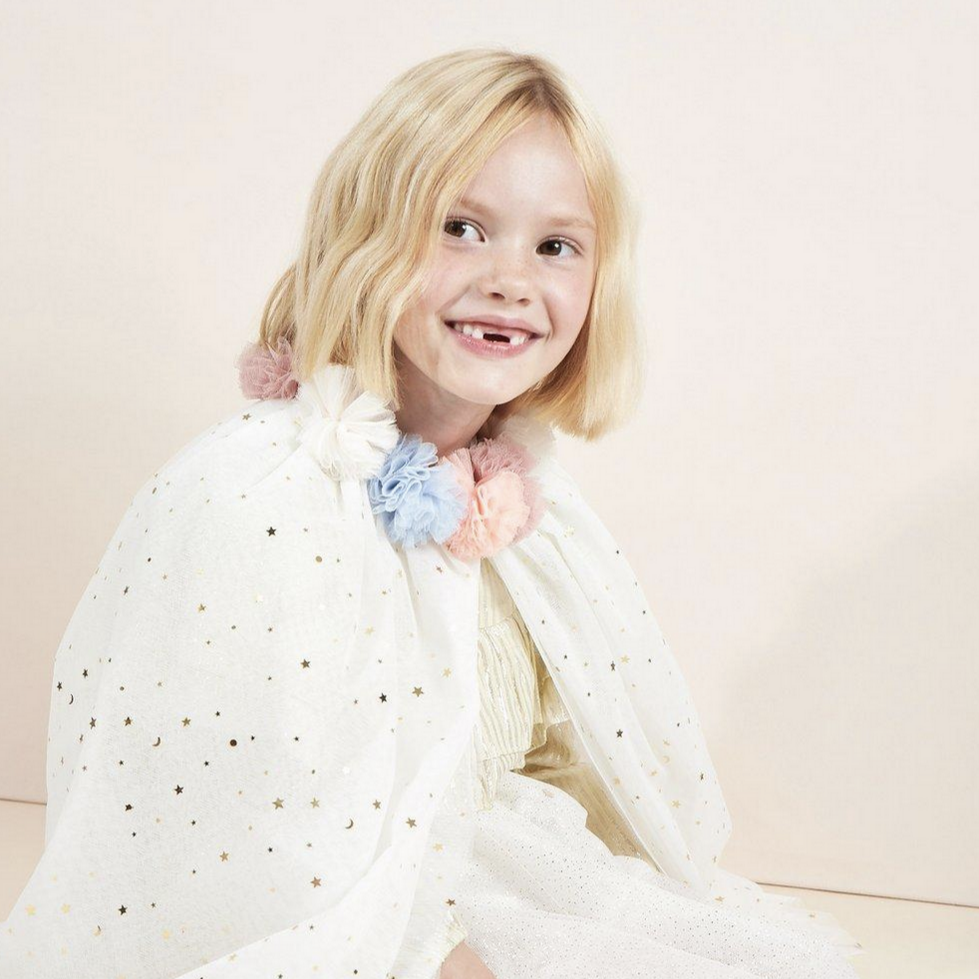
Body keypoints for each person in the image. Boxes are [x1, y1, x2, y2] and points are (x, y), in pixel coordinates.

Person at [2, 47, 864, 979]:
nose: (508, 278)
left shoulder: (525, 507)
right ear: (365, 238)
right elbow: (210, 826)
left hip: (482, 868)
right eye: (460, 227)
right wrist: (418, 951)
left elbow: (570, 763)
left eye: (555, 246)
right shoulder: (259, 494)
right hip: (319, 906)